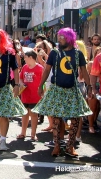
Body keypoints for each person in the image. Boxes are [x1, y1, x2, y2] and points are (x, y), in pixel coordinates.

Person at [32, 28, 92, 157]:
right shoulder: (54, 53)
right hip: (56, 89)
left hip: (72, 89)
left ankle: (70, 146)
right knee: (56, 119)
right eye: (58, 37)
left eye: (62, 37)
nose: (59, 40)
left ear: (69, 39)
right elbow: (47, 70)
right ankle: (57, 145)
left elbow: (84, 71)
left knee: (75, 118)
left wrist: (90, 86)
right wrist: (41, 85)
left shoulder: (78, 54)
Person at [17, 50, 43, 141]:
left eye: (26, 57)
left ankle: (33, 134)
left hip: (35, 96)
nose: (24, 59)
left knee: (34, 114)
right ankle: (23, 133)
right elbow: (20, 78)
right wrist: (21, 84)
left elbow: (43, 81)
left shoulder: (40, 68)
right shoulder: (24, 67)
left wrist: (42, 91)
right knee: (25, 114)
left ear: (31, 58)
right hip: (25, 95)